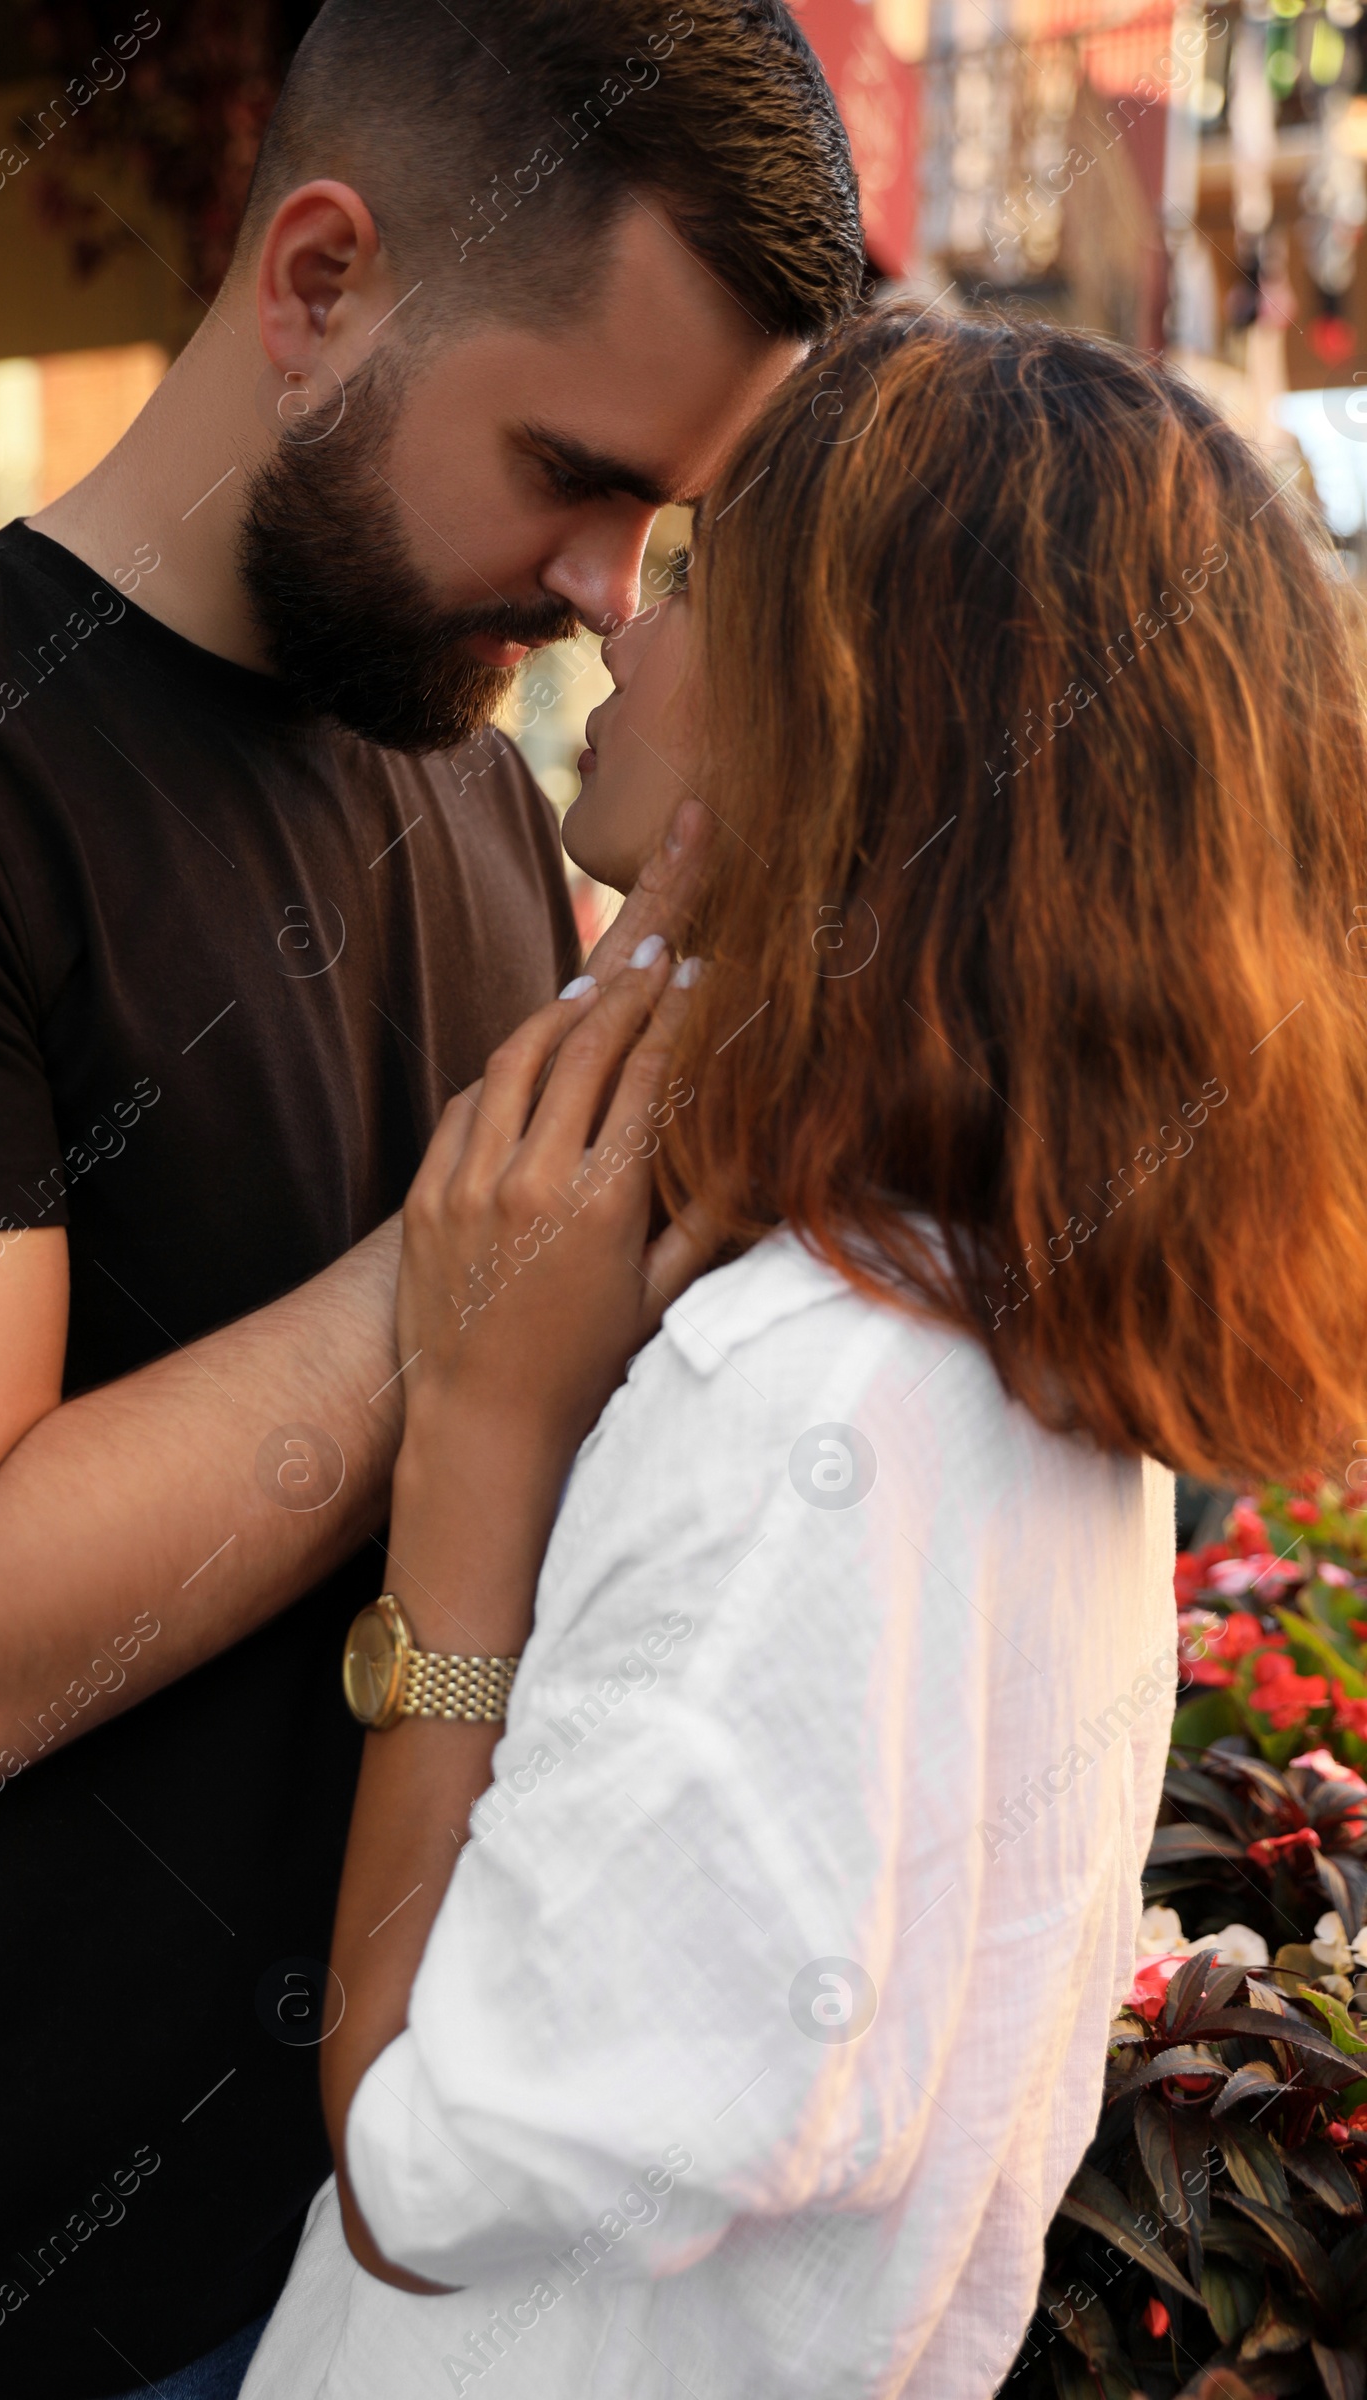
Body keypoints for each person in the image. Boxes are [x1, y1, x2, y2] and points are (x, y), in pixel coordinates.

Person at [0, 7, 862, 2395]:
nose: (600, 594)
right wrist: (472, 1284)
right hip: (12, 2308)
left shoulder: (457, 766)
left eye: (655, 524)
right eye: (565, 473)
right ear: (320, 278)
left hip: (419, 2265)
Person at [241, 305, 1367, 2400]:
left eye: (687, 577)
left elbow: (417, 2181)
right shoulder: (989, 1330)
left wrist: (476, 1448)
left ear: (839, 719)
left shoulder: (802, 1409)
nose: (609, 631)